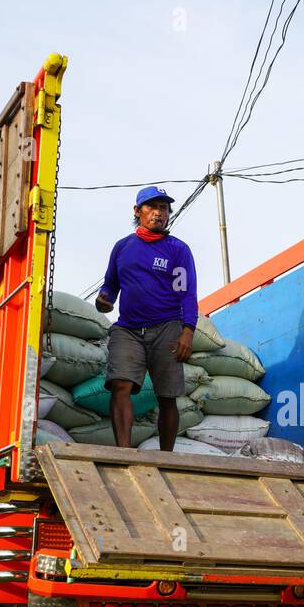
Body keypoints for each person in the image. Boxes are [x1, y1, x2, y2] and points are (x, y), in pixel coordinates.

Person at [95, 186, 198, 451]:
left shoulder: (178, 250)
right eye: (152, 207)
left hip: (167, 327)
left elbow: (187, 293)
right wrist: (104, 299)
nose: (158, 213)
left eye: (163, 208)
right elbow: (110, 285)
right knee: (120, 385)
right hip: (128, 329)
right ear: (137, 211)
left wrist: (188, 331)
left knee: (167, 397)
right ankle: (124, 452)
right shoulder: (122, 248)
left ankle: (166, 456)